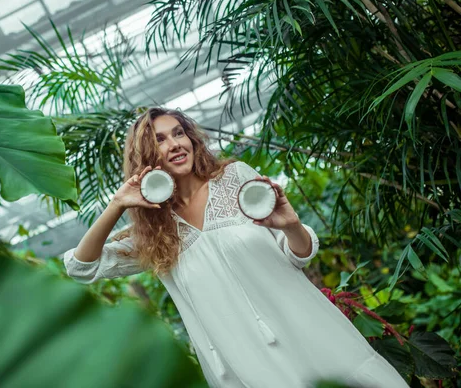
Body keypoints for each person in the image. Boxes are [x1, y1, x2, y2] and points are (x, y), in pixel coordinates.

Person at [63, 107, 408, 388]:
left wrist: (290, 226)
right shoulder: (152, 231)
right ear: (146, 157)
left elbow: (300, 254)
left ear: (192, 139)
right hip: (250, 366)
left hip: (309, 329)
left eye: (179, 133)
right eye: (160, 140)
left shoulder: (235, 178)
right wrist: (117, 205)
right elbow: (81, 268)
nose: (174, 144)